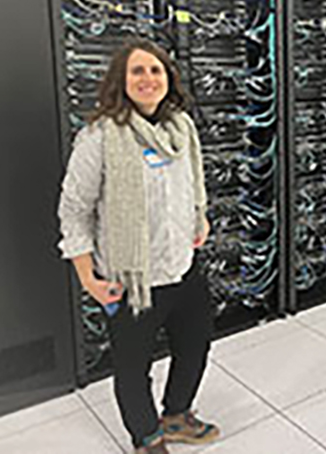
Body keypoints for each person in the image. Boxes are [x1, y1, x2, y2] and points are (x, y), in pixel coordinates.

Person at [58, 38, 220, 453]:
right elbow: (74, 210)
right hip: (130, 279)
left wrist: (198, 217)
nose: (147, 78)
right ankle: (146, 438)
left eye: (155, 70)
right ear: (121, 80)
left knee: (195, 345)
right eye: (137, 71)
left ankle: (176, 415)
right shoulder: (99, 136)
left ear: (168, 79)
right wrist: (89, 280)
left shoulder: (181, 128)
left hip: (183, 266)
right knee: (132, 367)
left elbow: (193, 186)